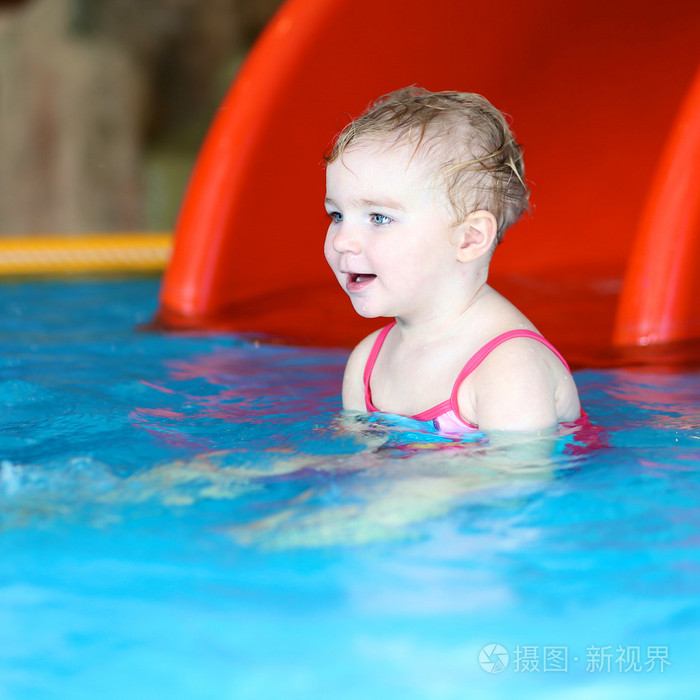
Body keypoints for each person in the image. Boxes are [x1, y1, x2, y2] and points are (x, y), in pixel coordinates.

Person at [323, 87, 581, 434]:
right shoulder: (366, 363)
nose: (341, 241)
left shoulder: (507, 368)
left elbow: (521, 483)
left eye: (379, 218)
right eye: (337, 215)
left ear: (469, 238)